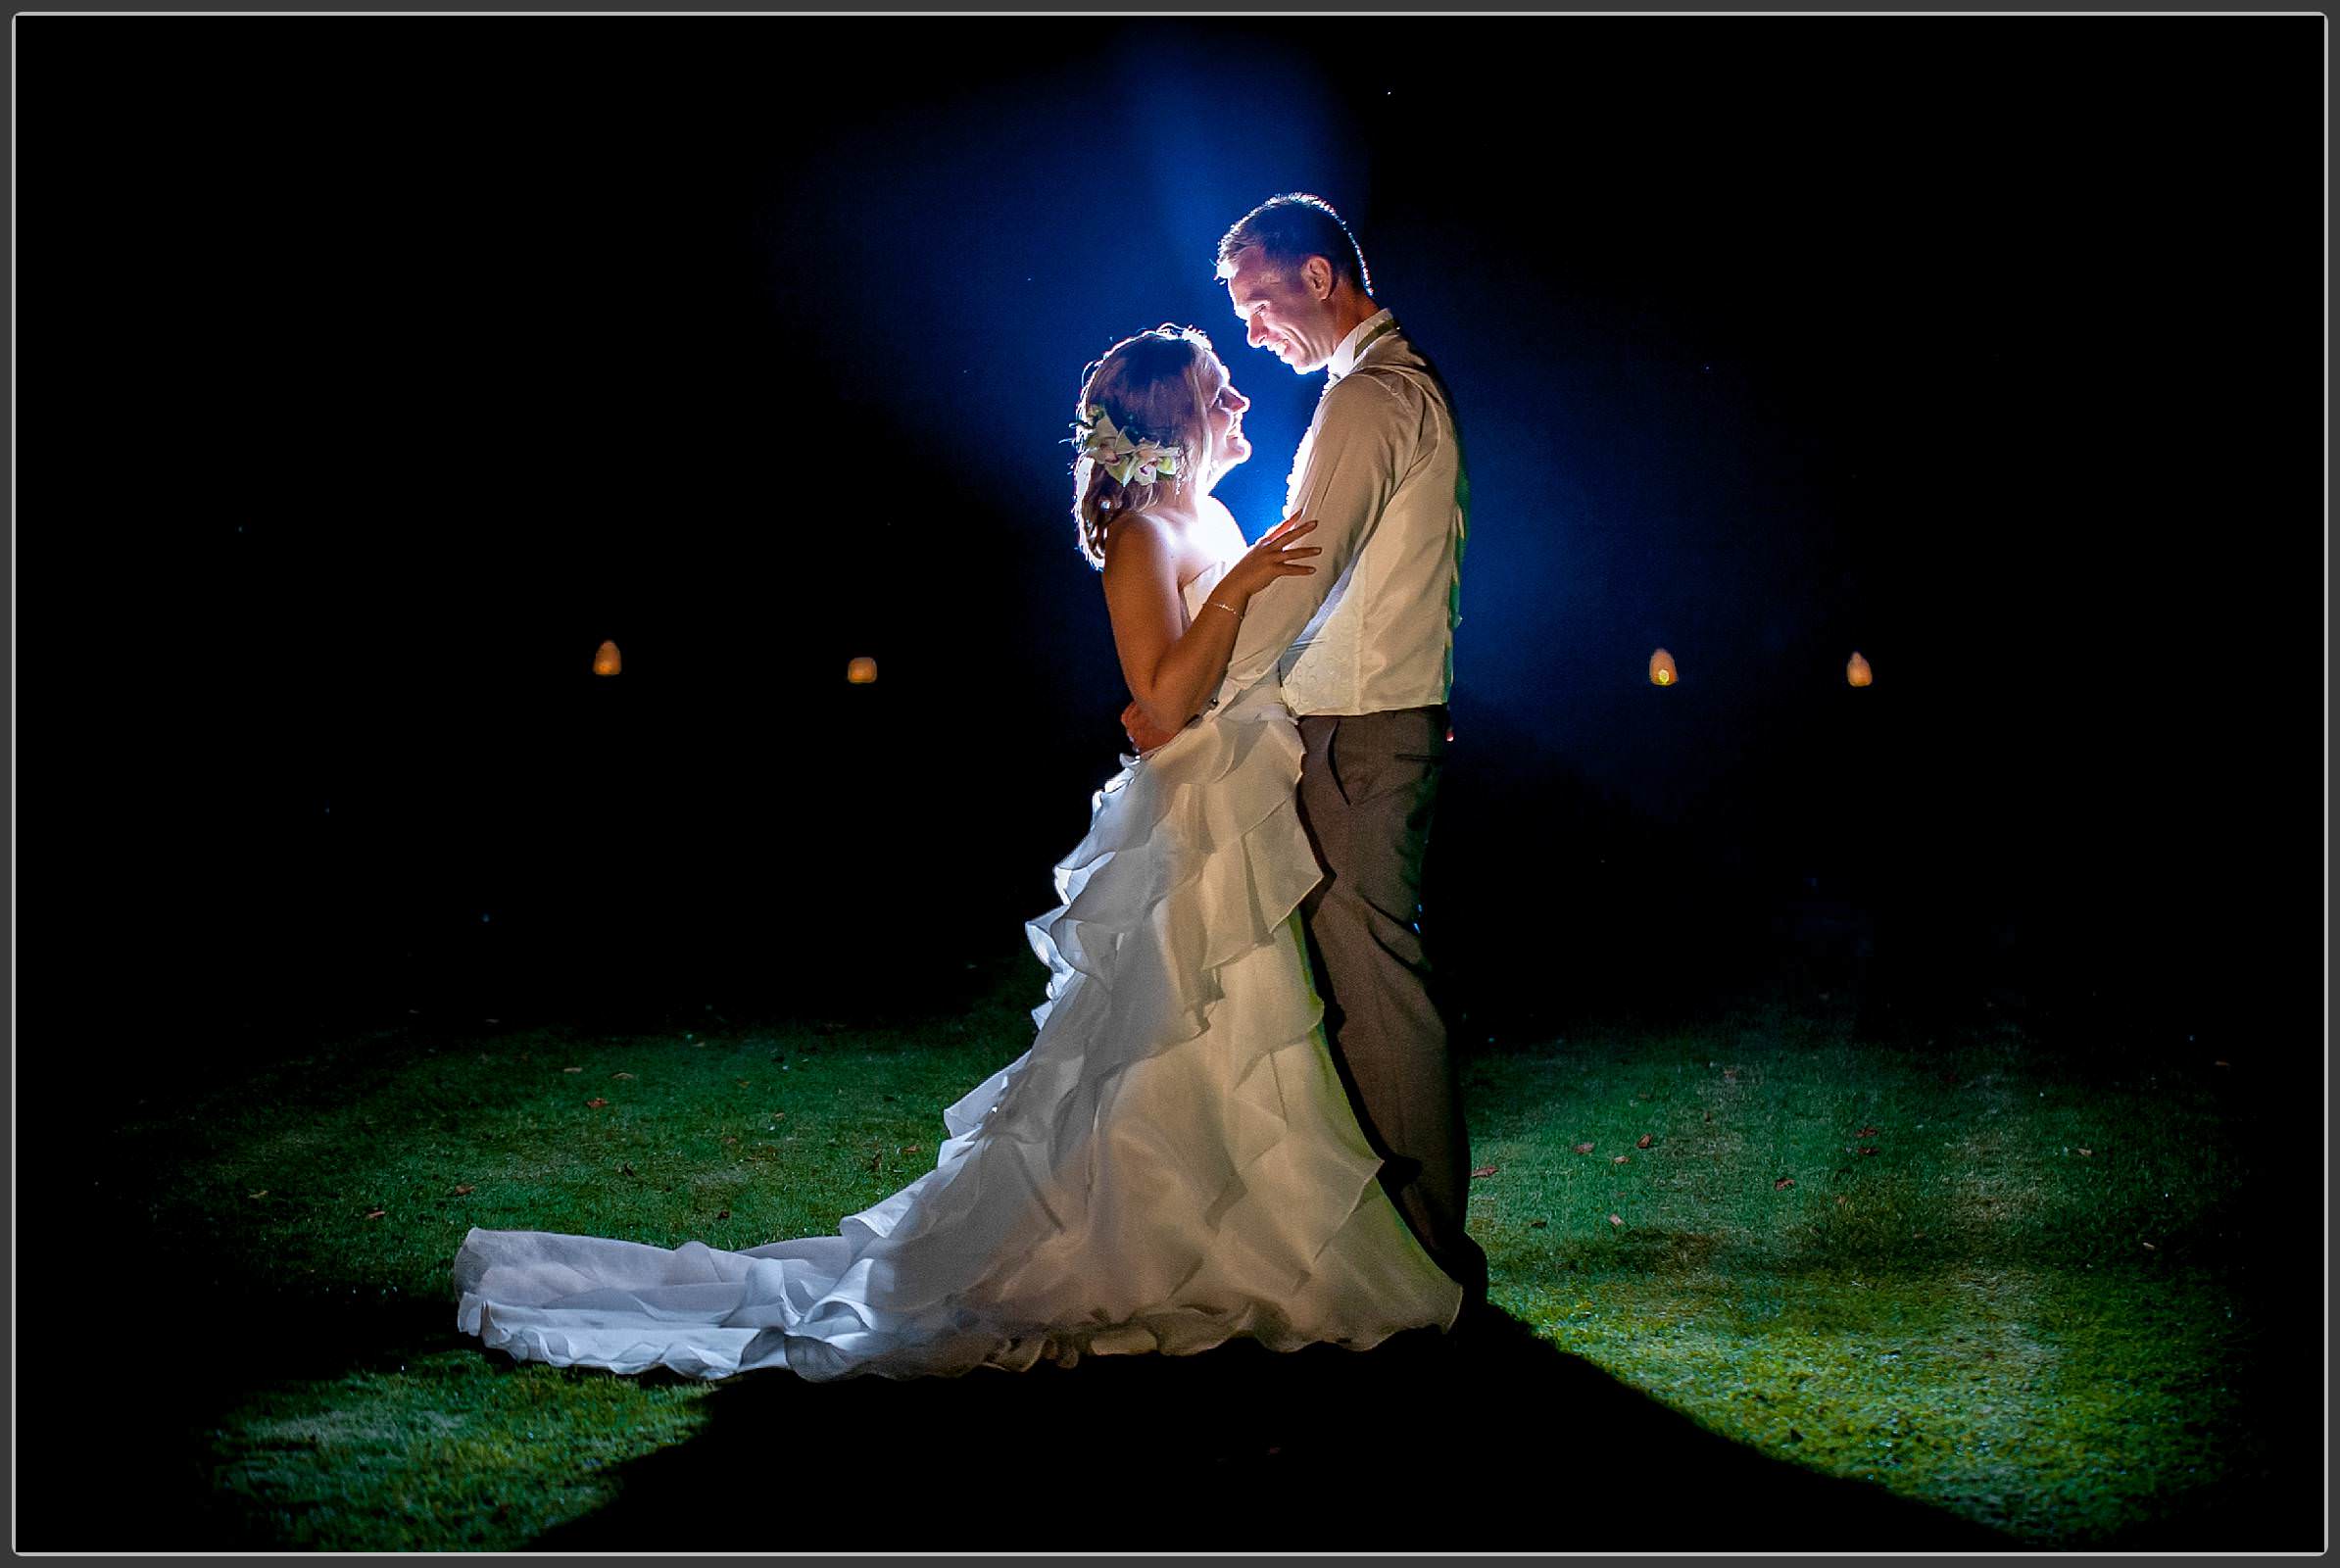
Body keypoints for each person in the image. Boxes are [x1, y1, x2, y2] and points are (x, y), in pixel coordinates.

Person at [451, 324, 1465, 1381]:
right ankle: (1157, 1238)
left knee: (1246, 1030)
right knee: (1183, 1032)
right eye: (1221, 391)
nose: (1243, 403)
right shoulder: (1142, 537)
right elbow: (1162, 703)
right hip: (1193, 811)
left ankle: (1255, 1227)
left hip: (1239, 799)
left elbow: (1240, 660)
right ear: (1171, 420)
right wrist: (1244, 585)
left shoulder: (1203, 514)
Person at [1127, 193, 1487, 1309]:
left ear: (1320, 277)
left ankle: (1425, 1258)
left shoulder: (1376, 398)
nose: (1250, 330)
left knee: (1375, 986)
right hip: (1359, 726)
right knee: (1348, 983)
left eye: (1257, 300)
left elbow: (1305, 576)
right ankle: (1388, 1241)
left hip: (1360, 736)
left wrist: (1199, 698)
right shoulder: (1372, 392)